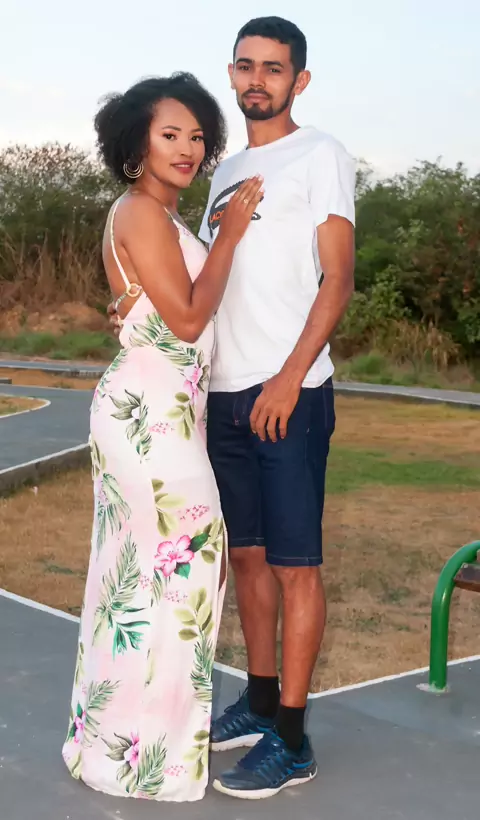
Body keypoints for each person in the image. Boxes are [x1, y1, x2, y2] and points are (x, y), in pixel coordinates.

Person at [61, 72, 263, 803]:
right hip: (150, 421)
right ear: (135, 143)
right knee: (178, 576)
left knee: (142, 581)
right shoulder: (142, 211)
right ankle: (146, 758)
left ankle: (121, 748)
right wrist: (231, 237)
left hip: (164, 415)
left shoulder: (162, 218)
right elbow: (186, 318)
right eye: (169, 133)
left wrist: (213, 242)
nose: (187, 147)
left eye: (198, 136)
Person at [200, 17, 356, 799]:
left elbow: (338, 278)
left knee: (296, 567)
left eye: (273, 67)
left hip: (287, 393)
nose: (257, 79)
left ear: (300, 80)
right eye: (246, 66)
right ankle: (260, 700)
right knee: (249, 559)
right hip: (225, 394)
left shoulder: (321, 154)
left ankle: (292, 740)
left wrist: (291, 377)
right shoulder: (224, 171)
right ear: (232, 74)